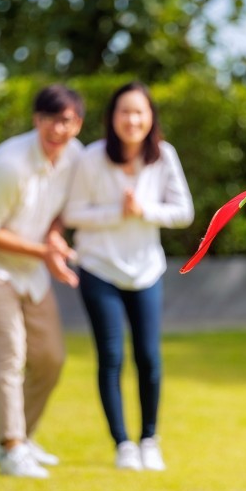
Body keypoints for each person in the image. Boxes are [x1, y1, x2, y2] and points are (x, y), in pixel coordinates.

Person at [0, 84, 85, 479]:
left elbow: (60, 213)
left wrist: (55, 238)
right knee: (10, 349)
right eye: (47, 118)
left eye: (64, 120)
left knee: (50, 357)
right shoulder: (9, 165)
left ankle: (19, 438)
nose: (55, 128)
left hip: (29, 267)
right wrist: (44, 254)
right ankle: (11, 447)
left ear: (77, 124)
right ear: (35, 120)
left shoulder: (74, 158)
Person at [63, 81, 194, 471]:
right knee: (111, 356)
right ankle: (122, 444)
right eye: (124, 111)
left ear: (150, 117)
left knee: (149, 357)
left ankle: (149, 439)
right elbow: (72, 214)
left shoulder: (163, 156)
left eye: (139, 112)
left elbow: (183, 212)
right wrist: (115, 213)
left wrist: (144, 211)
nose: (132, 119)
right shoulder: (91, 158)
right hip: (97, 267)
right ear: (112, 118)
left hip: (145, 270)